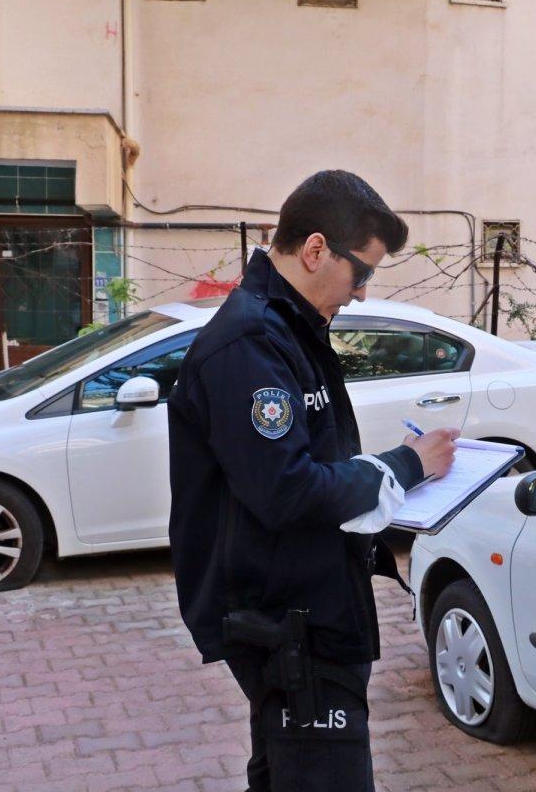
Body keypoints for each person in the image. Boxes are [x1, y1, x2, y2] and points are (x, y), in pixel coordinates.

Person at [167, 170, 458, 792]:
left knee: (284, 772)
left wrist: (390, 471)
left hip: (304, 604)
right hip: (287, 622)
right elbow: (287, 489)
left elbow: (308, 463)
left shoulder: (287, 328)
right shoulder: (250, 342)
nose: (359, 294)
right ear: (317, 249)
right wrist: (406, 467)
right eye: (364, 272)